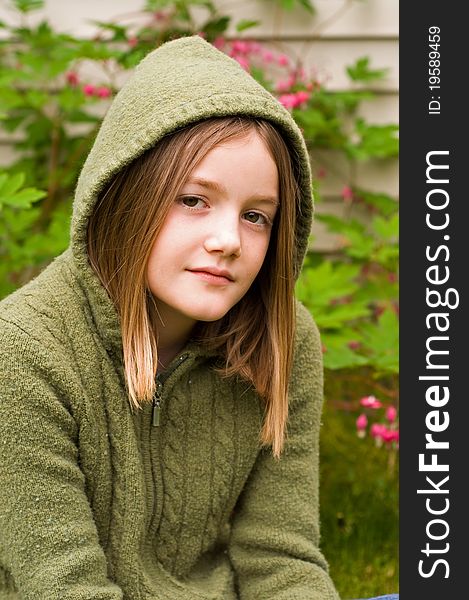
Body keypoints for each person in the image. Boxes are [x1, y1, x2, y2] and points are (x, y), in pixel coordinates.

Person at [0, 36, 396, 600]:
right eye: (194, 200)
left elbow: (281, 556)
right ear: (124, 195)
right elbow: (66, 586)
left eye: (257, 216)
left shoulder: (283, 342)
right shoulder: (23, 352)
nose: (228, 240)